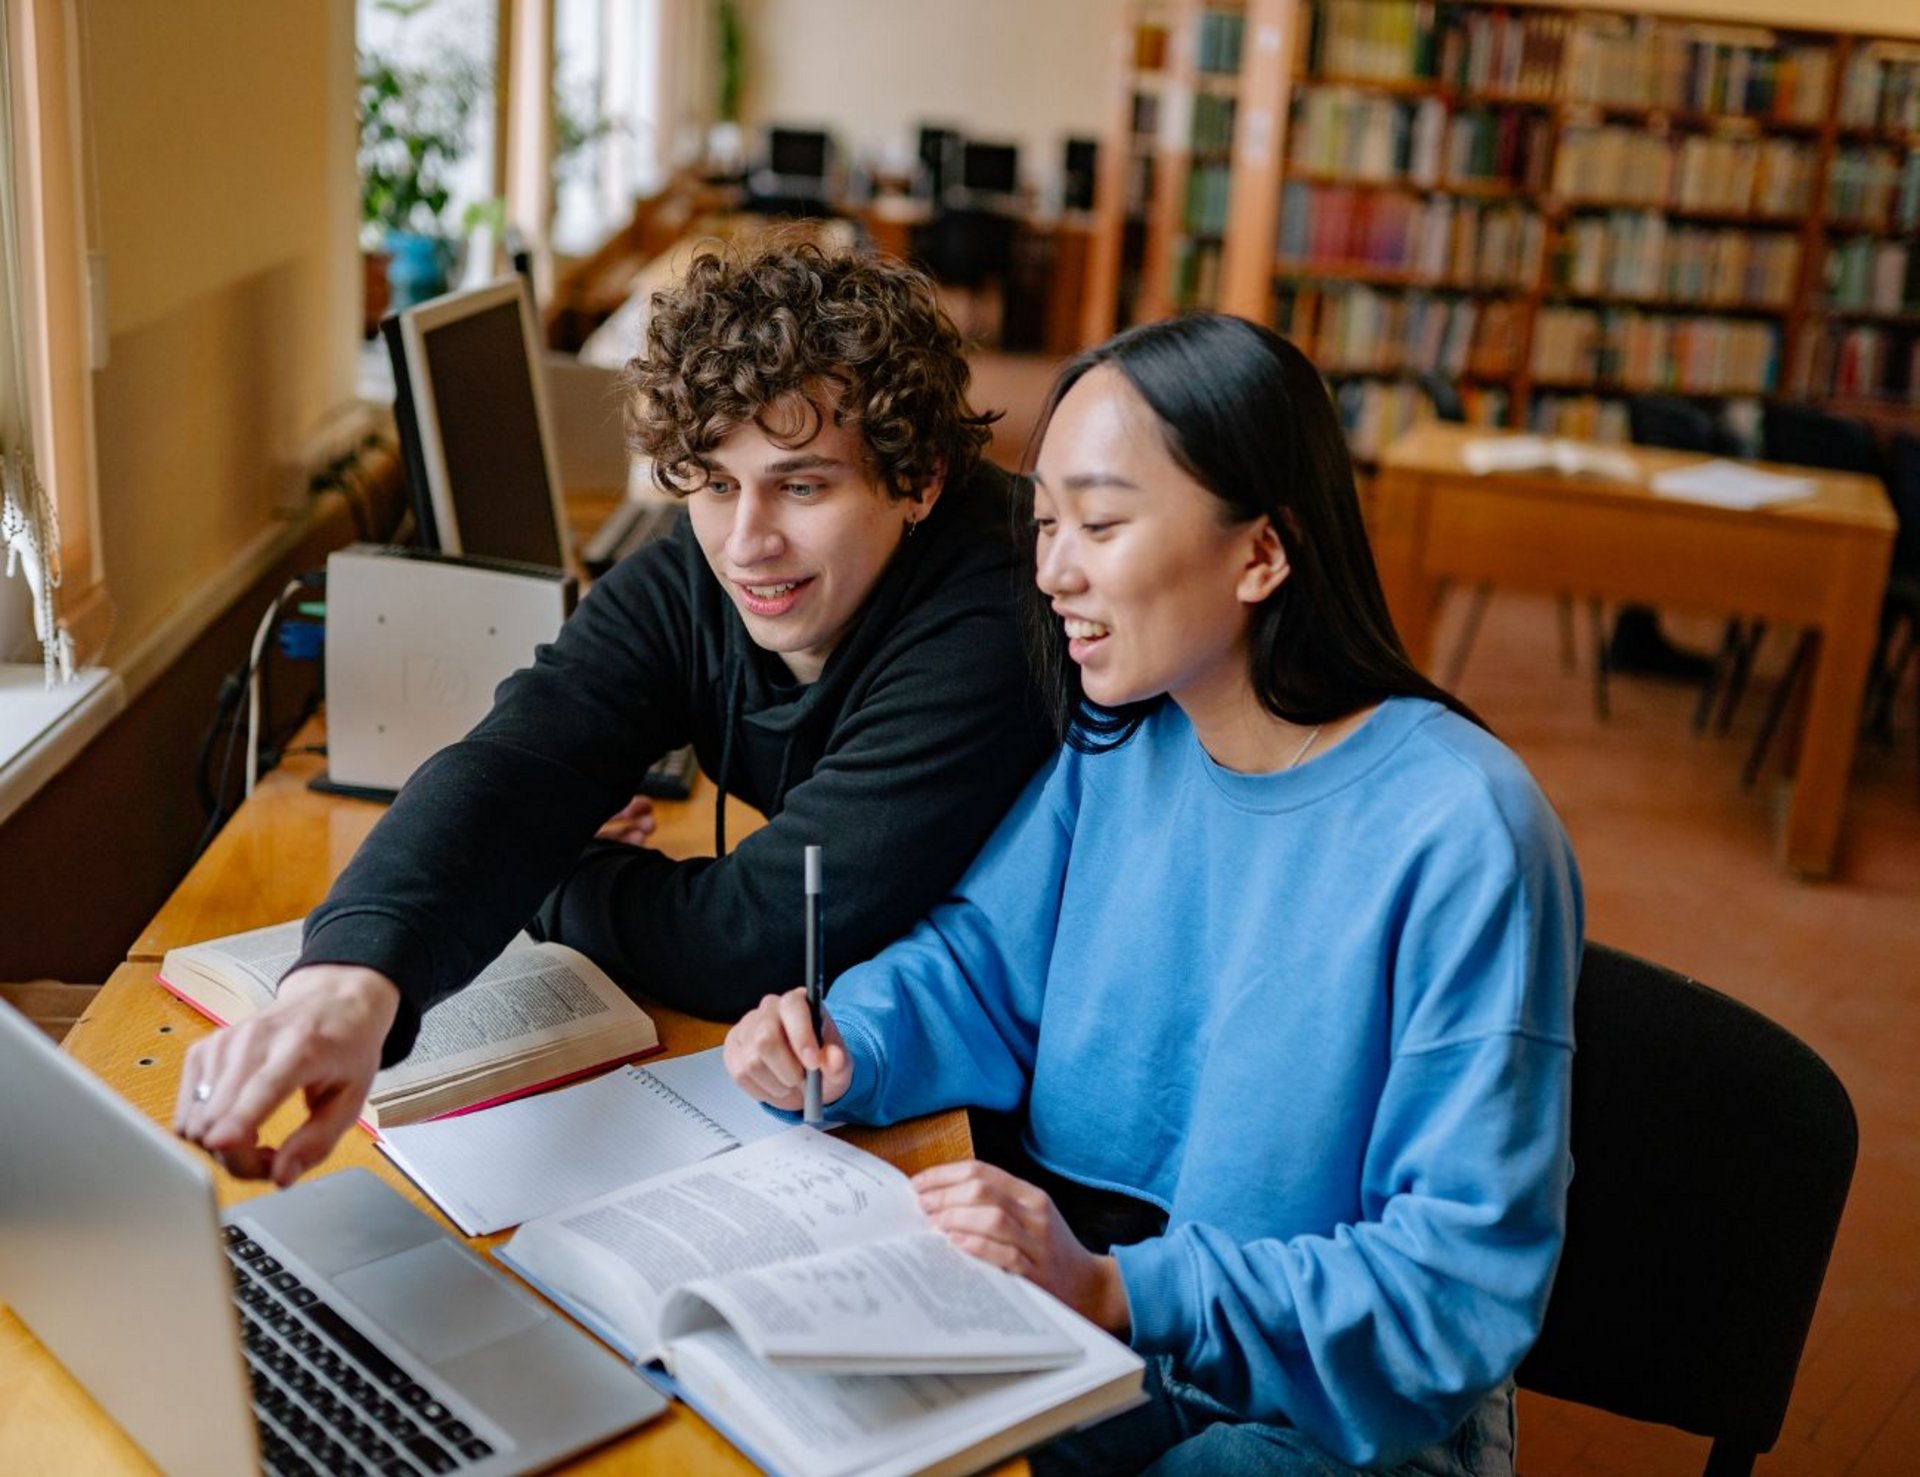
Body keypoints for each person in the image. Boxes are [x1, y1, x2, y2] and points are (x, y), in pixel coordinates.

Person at [724, 313, 1582, 1476]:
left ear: (1262, 554)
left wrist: (1122, 1288)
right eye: (1043, 523)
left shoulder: (1463, 829)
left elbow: (1451, 1286)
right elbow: (983, 963)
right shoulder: (1120, 738)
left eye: (1102, 522)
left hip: (1334, 1415)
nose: (1051, 569)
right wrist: (848, 1040)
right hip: (1119, 1327)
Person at [174, 238, 1052, 1186]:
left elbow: (754, 936)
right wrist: (346, 983)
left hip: (1014, 1135)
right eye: (714, 482)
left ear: (916, 477)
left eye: (801, 484)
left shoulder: (999, 603)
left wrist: (559, 868)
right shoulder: (704, 563)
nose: (746, 543)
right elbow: (523, 756)